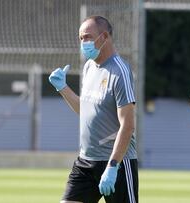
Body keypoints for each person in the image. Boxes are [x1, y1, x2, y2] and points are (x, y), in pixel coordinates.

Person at [48, 15, 138, 203]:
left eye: (88, 37)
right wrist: (63, 88)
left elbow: (128, 125)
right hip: (85, 161)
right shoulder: (89, 67)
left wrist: (113, 165)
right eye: (81, 38)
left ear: (104, 37)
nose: (84, 43)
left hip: (116, 163)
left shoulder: (119, 71)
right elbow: (86, 111)